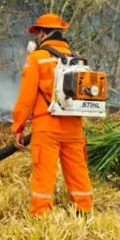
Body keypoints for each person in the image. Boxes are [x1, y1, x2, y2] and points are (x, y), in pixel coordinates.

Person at [12, 14, 93, 216]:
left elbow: (26, 98)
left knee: (44, 174)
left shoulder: (37, 58)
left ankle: (40, 216)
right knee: (78, 172)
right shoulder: (77, 58)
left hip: (47, 127)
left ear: (41, 33)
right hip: (74, 128)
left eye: (37, 34)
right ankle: (84, 211)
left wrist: (18, 127)